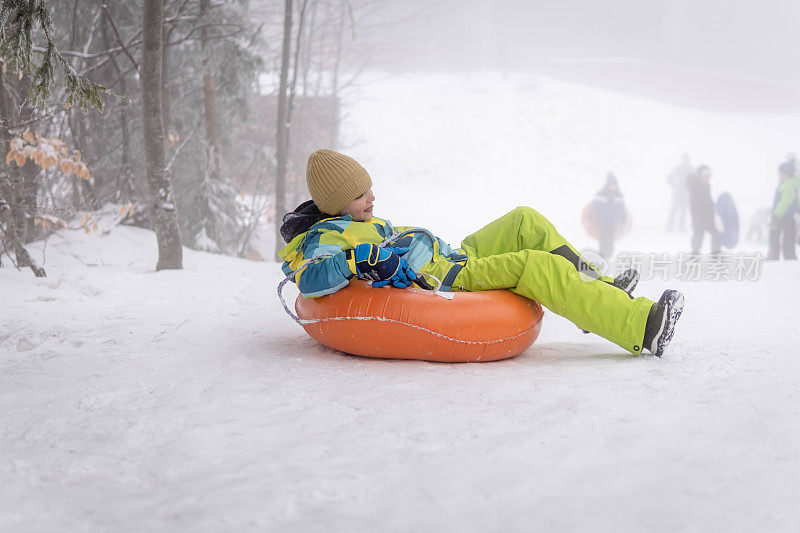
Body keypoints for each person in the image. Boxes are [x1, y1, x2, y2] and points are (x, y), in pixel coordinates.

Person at [279, 149, 685, 357]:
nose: (372, 196)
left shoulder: (358, 219)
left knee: (525, 219)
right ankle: (640, 326)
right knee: (535, 265)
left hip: (454, 256)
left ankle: (601, 288)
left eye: (369, 187)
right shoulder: (328, 237)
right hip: (446, 278)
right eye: (359, 193)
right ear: (335, 202)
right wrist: (357, 259)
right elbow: (310, 279)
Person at [586, 172, 627, 260]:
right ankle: (602, 259)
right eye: (612, 185)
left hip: (612, 223)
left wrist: (624, 221)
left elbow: (621, 210)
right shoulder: (601, 194)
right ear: (608, 185)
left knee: (610, 242)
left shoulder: (619, 196)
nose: (614, 186)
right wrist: (589, 217)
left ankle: (609, 258)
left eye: (615, 185)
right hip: (602, 222)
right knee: (603, 241)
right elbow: (594, 207)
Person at [767, 161, 800, 260]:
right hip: (789, 216)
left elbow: (786, 201)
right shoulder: (792, 183)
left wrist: (776, 214)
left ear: (786, 174)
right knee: (788, 238)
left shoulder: (788, 184)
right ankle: (790, 257)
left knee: (774, 234)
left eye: (780, 173)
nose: (779, 175)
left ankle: (774, 255)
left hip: (782, 216)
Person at [687, 164, 720, 256]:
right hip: (698, 215)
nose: (707, 176)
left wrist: (714, 205)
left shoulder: (706, 185)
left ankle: (716, 253)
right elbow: (696, 200)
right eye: (705, 174)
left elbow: (707, 198)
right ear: (699, 174)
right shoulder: (695, 185)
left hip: (708, 214)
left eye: (709, 174)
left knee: (716, 233)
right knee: (699, 235)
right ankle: (695, 254)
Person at [666, 153, 692, 232]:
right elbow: (669, 177)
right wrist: (674, 185)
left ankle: (681, 226)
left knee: (684, 210)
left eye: (687, 159)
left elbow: (695, 180)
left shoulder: (691, 169)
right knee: (674, 209)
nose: (685, 160)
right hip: (678, 193)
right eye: (684, 159)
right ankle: (669, 226)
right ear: (682, 159)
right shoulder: (678, 168)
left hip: (686, 193)